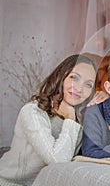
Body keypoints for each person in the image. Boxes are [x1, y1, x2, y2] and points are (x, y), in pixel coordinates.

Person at [0, 54, 98, 185]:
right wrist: (69, 119)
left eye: (88, 85)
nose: (79, 88)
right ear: (61, 77)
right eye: (74, 78)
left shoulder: (80, 116)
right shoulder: (32, 111)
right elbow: (58, 161)